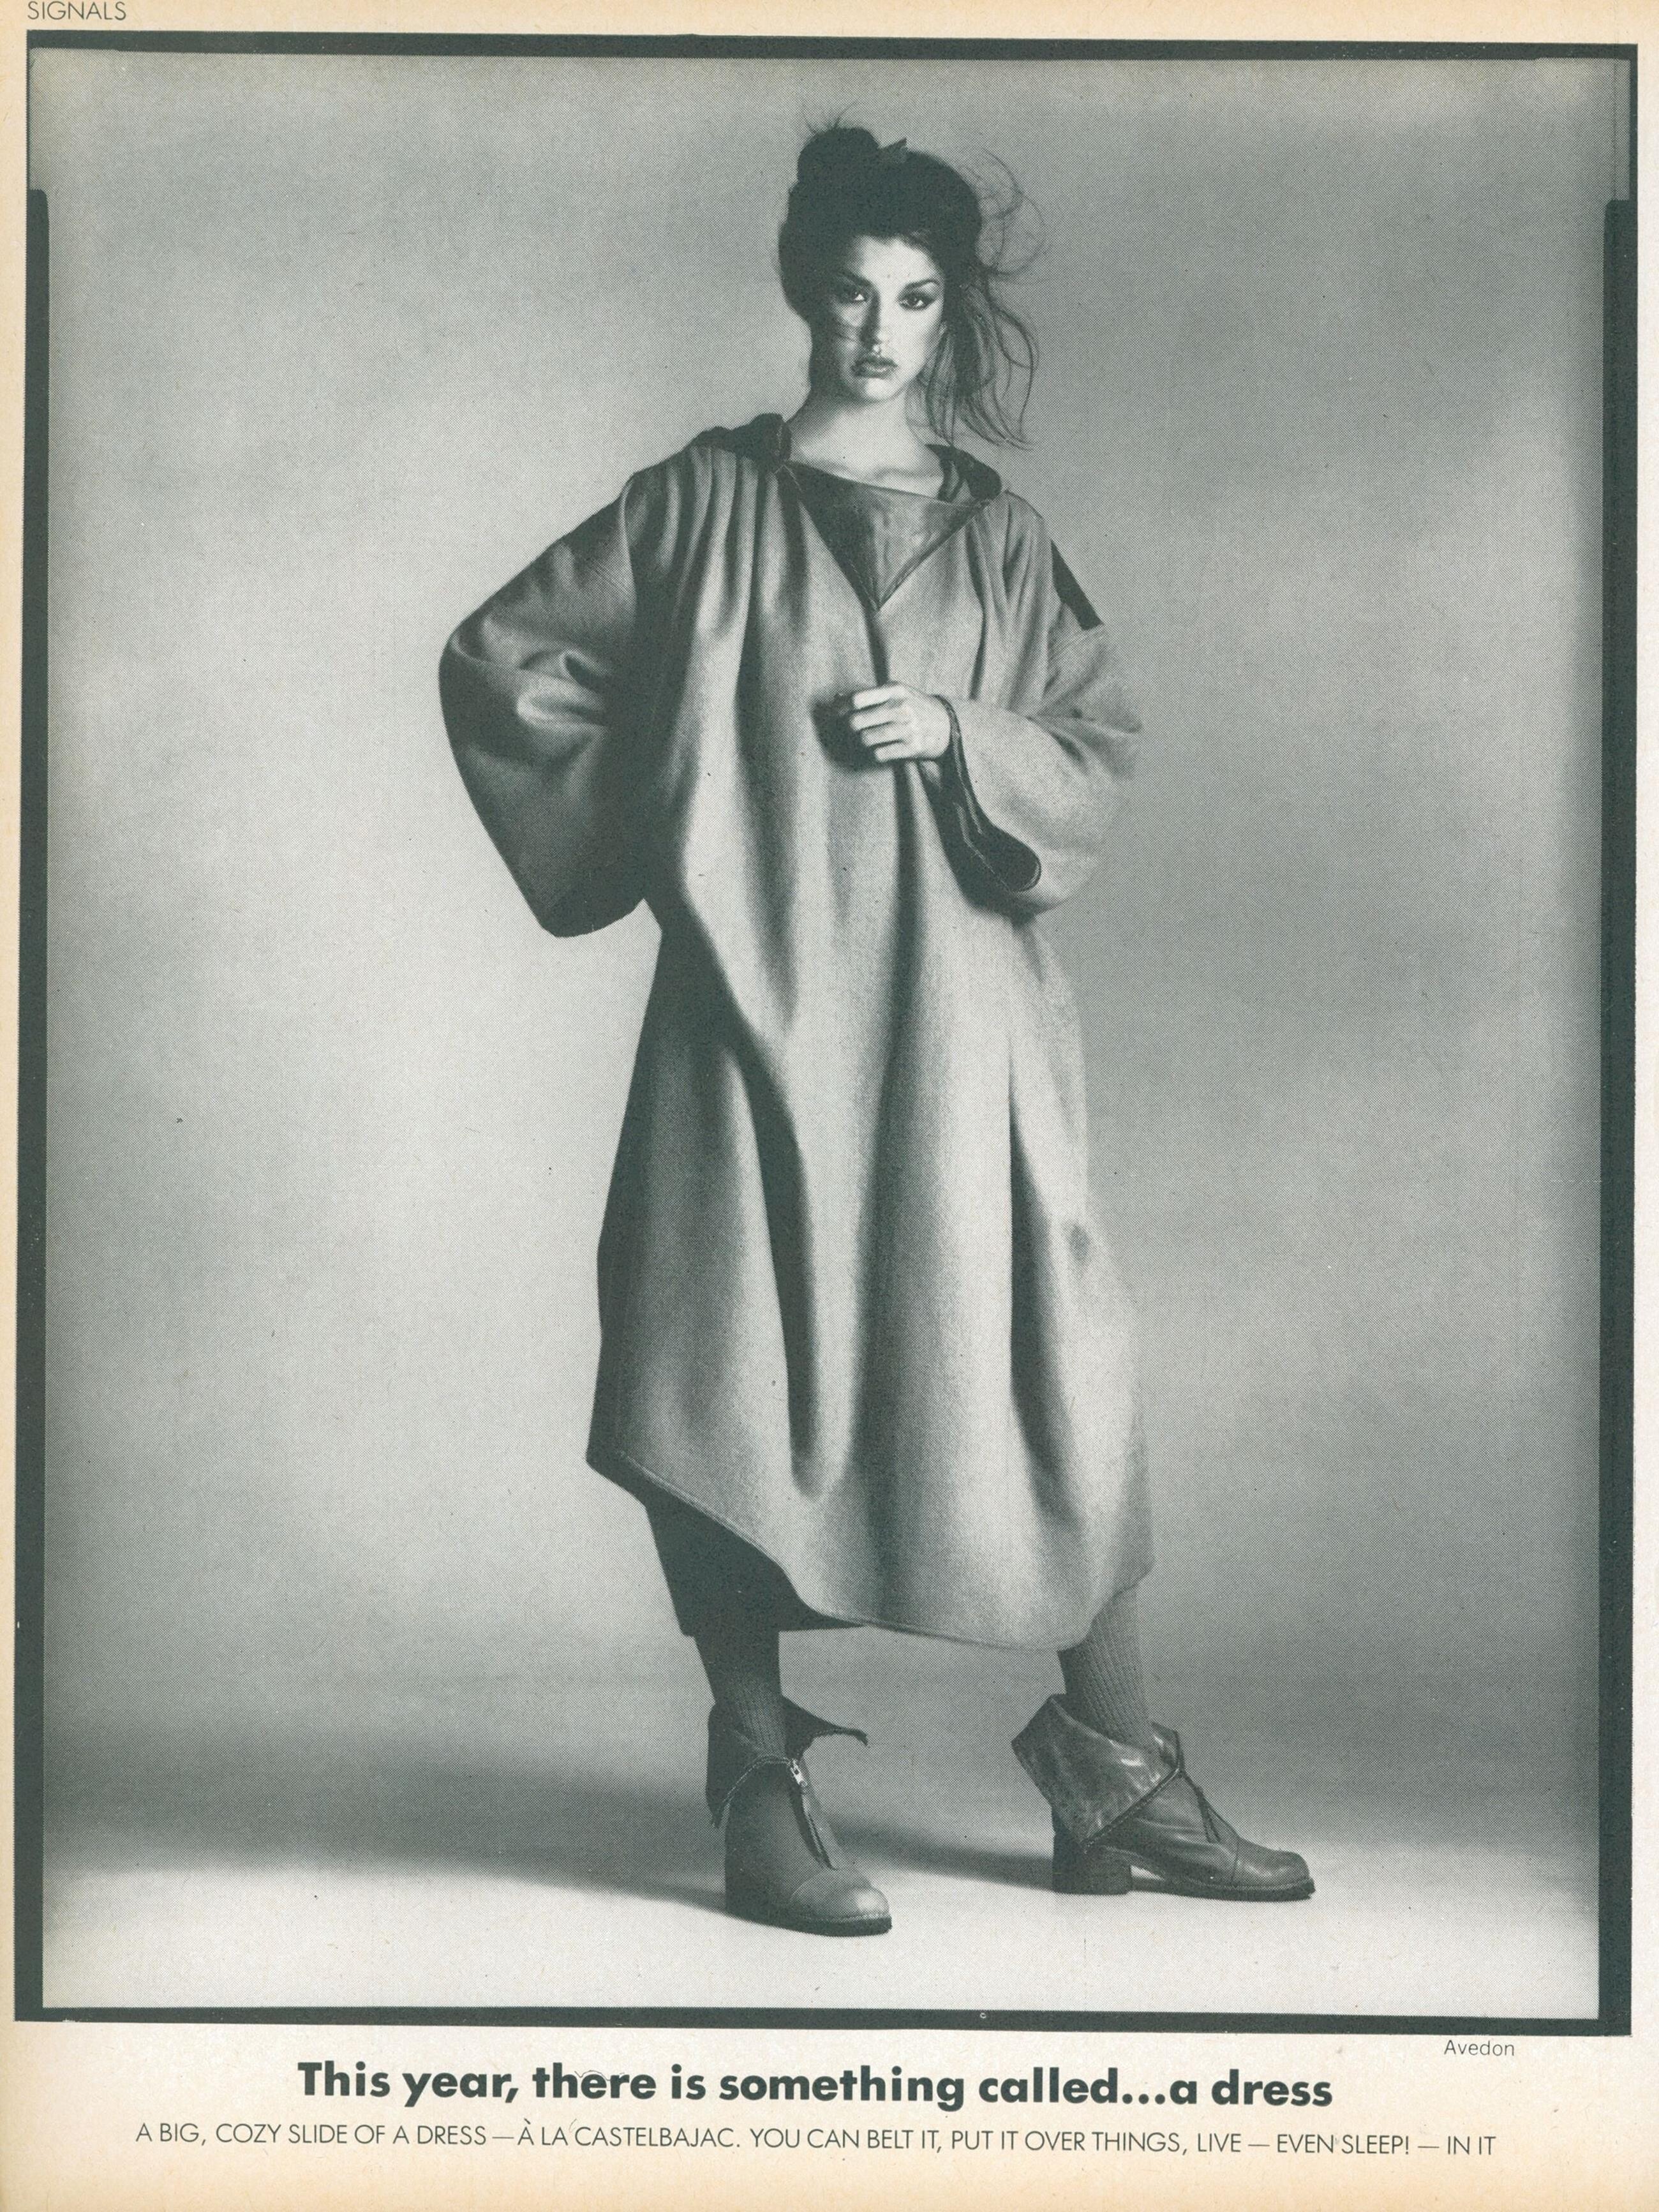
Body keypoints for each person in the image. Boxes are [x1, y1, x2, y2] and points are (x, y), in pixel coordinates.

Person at [440, 124, 1312, 1936]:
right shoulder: (699, 500)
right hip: (753, 1025)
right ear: (803, 292)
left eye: (914, 299)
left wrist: (967, 738)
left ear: (945, 312)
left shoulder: (1004, 536)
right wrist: (690, 816)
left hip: (963, 1034)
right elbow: (509, 662)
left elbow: (1095, 746)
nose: (879, 330)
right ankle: (757, 1773)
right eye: (850, 292)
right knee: (717, 1371)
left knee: (1059, 1372)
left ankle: (1117, 1769)